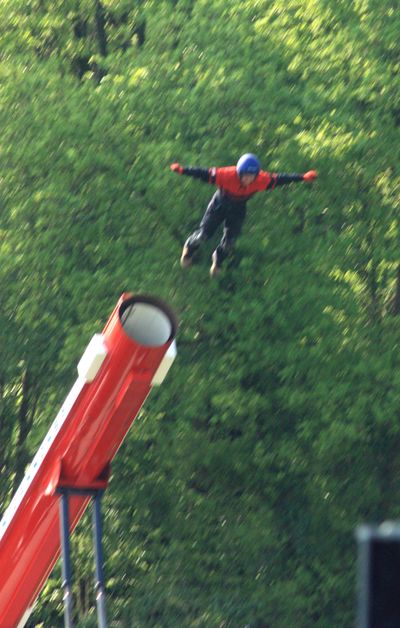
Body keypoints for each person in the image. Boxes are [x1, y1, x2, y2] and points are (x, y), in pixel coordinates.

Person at [170, 153, 317, 277]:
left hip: (238, 209)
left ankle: (218, 259)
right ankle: (189, 248)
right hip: (219, 205)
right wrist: (183, 170)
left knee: (229, 243)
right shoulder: (226, 175)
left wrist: (303, 177)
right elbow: (203, 173)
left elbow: (281, 179)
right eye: (246, 176)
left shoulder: (261, 179)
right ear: (239, 173)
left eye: (252, 176)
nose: (248, 180)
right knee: (204, 235)